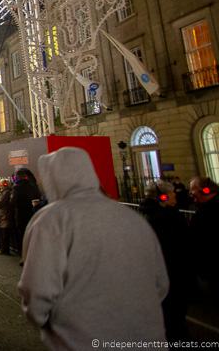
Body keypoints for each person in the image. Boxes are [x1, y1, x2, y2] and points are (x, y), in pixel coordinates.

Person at [18, 147, 168, 349]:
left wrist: (46, 321)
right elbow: (160, 283)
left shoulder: (52, 219)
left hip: (81, 338)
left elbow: (37, 287)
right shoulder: (130, 217)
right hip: (146, 337)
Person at [139, 180, 191, 342]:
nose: (175, 195)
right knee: (174, 313)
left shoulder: (150, 216)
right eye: (171, 193)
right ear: (162, 197)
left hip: (164, 272)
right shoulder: (167, 218)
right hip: (172, 270)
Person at [189, 176, 219, 298]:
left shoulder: (209, 210)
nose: (191, 193)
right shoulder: (202, 208)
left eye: (193, 189)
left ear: (204, 190)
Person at [12, 168, 41, 254]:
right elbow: (38, 197)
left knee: (22, 236)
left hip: (20, 214)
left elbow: (13, 201)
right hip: (32, 213)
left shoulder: (16, 187)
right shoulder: (33, 186)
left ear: (18, 177)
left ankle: (23, 255)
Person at [0, 178, 14, 255]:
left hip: (5, 214)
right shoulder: (5, 192)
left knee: (4, 234)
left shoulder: (5, 192)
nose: (0, 185)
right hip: (4, 214)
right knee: (4, 233)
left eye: (1, 184)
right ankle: (4, 249)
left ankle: (4, 250)